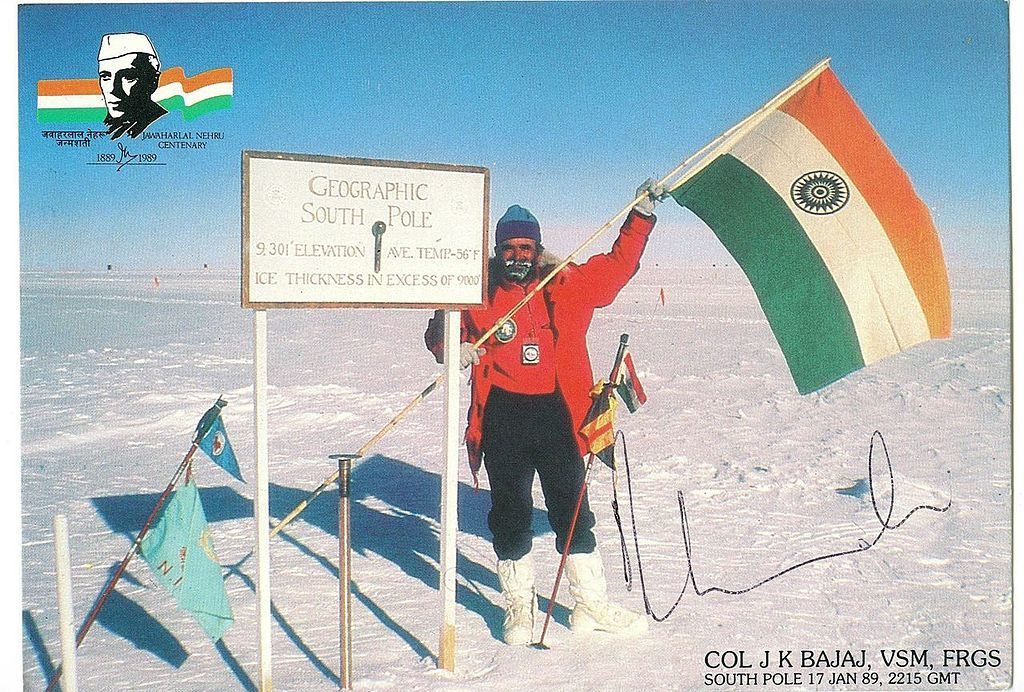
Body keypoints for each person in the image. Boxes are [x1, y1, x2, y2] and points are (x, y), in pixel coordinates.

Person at [425, 179, 665, 645]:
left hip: (559, 413)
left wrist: (642, 217)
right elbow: (438, 330)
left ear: (539, 249)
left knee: (572, 508)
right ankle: (520, 605)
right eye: (510, 247)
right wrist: (454, 347)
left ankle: (589, 604)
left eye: (527, 247)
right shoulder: (471, 289)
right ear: (497, 250)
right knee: (511, 513)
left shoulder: (567, 283)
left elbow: (617, 266)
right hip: (502, 417)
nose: (519, 255)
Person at [97, 32, 168, 140]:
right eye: (105, 77)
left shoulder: (164, 124)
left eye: (128, 77)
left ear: (153, 81)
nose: (113, 89)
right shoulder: (102, 127)